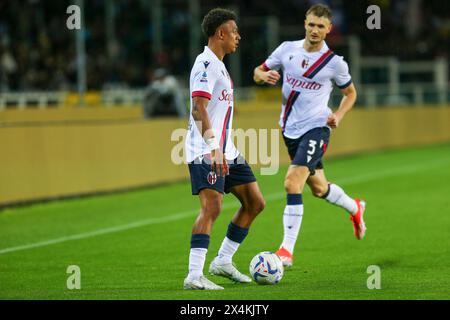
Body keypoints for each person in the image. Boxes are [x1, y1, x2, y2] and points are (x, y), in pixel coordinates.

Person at [253, 4, 366, 268]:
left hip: (317, 128)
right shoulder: (286, 49)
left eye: (321, 26)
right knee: (319, 189)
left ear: (329, 29)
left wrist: (337, 115)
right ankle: (355, 207)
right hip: (289, 129)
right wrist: (263, 75)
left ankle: (286, 251)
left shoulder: (334, 64)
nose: (315, 30)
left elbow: (351, 94)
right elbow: (257, 71)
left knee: (293, 182)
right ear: (305, 23)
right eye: (311, 24)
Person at [183, 8, 266, 290]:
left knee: (255, 203)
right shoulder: (205, 64)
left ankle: (222, 261)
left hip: (226, 150)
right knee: (212, 207)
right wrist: (213, 147)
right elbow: (198, 108)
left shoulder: (219, 65)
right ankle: (194, 275)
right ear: (220, 33)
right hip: (206, 150)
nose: (238, 37)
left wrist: (223, 148)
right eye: (234, 31)